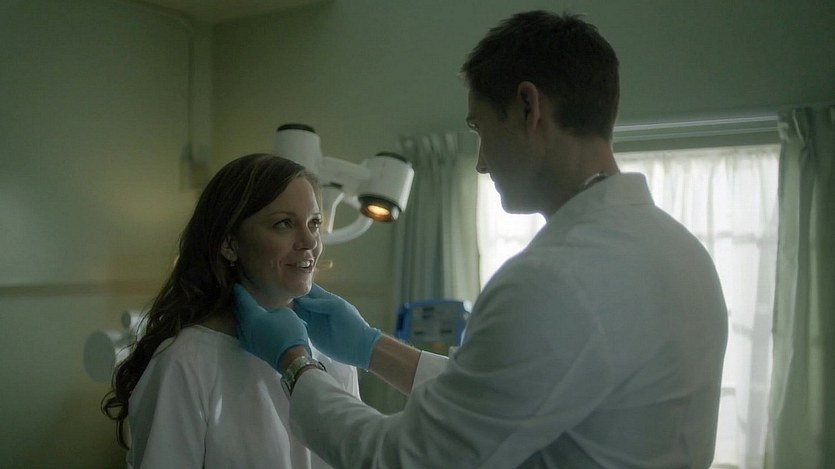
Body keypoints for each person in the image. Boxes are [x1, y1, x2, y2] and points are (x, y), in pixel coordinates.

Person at [235, 10, 729, 468]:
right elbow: (513, 394)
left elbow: (405, 460)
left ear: (528, 107)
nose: (481, 162)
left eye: (479, 128)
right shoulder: (682, 251)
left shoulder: (552, 281)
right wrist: (372, 348)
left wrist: (296, 366)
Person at [101, 153, 359, 468]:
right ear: (230, 244)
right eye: (284, 224)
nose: (310, 242)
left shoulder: (333, 351)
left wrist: (371, 348)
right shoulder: (185, 362)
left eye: (315, 223)